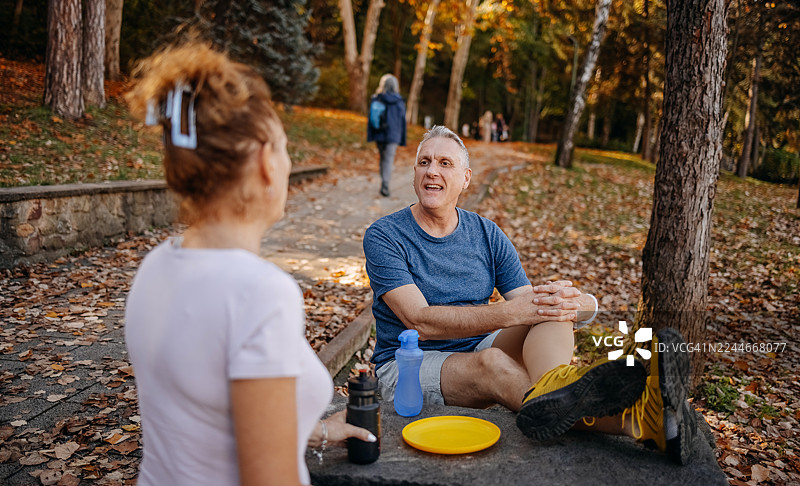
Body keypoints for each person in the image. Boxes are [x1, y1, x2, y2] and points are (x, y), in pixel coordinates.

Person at [363, 125, 696, 464]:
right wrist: (512, 313)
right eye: (424, 162)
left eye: (445, 163)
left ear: (466, 178)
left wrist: (579, 304)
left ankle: (556, 388)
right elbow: (420, 323)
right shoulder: (385, 235)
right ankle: (636, 418)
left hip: (474, 344)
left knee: (548, 310)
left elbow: (531, 302)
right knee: (493, 362)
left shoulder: (485, 233)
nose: (432, 170)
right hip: (406, 365)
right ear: (415, 172)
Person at [124, 43, 374, 486]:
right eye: (283, 148)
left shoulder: (156, 266)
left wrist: (311, 432)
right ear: (264, 162)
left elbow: (201, 420)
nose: (289, 162)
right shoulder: (258, 292)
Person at [367, 74, 407, 197]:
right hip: (393, 135)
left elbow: (371, 118)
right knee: (388, 159)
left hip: (379, 132)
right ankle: (385, 184)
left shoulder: (377, 98)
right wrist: (401, 137)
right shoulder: (399, 101)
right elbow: (402, 121)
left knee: (382, 157)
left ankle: (383, 181)